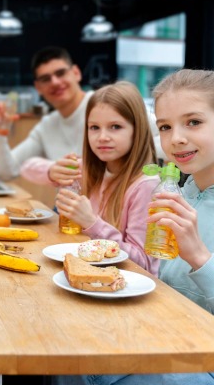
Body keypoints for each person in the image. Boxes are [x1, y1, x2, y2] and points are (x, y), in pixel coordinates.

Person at [54, 68, 214, 385]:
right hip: (162, 337)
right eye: (165, 127)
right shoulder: (180, 193)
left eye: (193, 122)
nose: (176, 138)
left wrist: (199, 257)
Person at [0, 46, 164, 187]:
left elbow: (169, 138)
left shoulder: (109, 105)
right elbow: (6, 172)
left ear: (76, 73)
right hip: (73, 216)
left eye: (60, 73)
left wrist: (132, 151)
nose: (55, 82)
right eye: (46, 79)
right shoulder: (47, 126)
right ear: (38, 87)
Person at [53, 81, 160, 274]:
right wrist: (59, 180)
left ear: (138, 130)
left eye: (115, 126)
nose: (102, 137)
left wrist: (91, 223)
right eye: (94, 127)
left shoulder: (146, 186)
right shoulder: (90, 172)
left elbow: (143, 264)